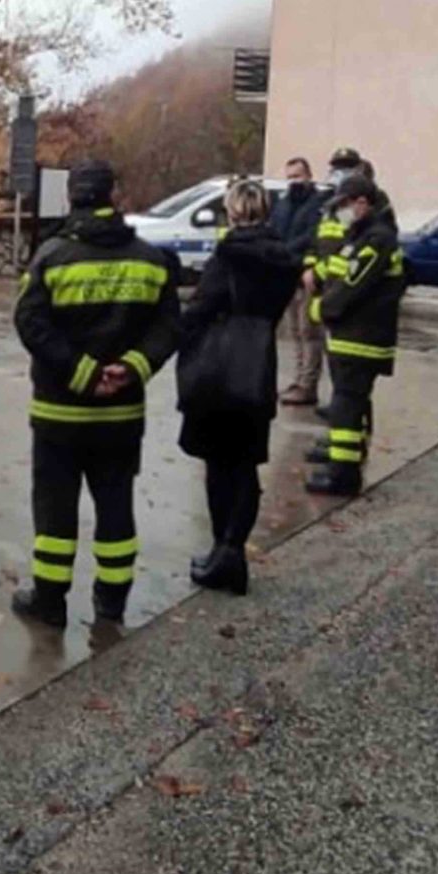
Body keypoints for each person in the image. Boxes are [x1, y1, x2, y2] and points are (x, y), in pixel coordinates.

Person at [9, 160, 180, 629]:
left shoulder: (52, 256)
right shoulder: (150, 259)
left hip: (59, 412)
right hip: (120, 415)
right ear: (113, 195)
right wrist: (133, 367)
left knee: (55, 511)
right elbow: (169, 326)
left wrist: (81, 372)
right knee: (116, 505)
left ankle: (50, 602)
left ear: (71, 197)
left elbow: (29, 322)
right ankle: (112, 602)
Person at [176, 179, 300, 594]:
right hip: (258, 365)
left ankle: (223, 552)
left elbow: (200, 309)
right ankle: (233, 550)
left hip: (218, 368)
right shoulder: (282, 260)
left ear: (233, 211)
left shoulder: (229, 256)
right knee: (245, 464)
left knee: (218, 465)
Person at [306, 175, 406, 497]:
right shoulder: (363, 235)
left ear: (362, 203)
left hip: (362, 339)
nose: (342, 212)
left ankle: (343, 476)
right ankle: (342, 460)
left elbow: (352, 286)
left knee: (347, 404)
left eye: (345, 205)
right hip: (352, 336)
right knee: (349, 402)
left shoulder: (378, 240)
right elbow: (339, 268)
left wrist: (321, 309)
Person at [297, 146, 363, 415]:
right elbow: (318, 240)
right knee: (312, 336)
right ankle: (325, 396)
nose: (339, 173)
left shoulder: (358, 207)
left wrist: (321, 272)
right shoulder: (329, 206)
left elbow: (349, 248)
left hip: (339, 286)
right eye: (337, 167)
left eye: (346, 167)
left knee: (339, 349)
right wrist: (310, 266)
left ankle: (343, 403)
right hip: (319, 282)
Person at [269, 156, 327, 406]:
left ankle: (308, 384)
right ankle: (298, 379)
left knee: (309, 331)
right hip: (286, 275)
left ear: (309, 176)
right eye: (290, 177)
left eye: (298, 176)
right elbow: (274, 230)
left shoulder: (319, 204)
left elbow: (314, 236)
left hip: (306, 274)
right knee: (294, 331)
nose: (294, 181)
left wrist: (289, 252)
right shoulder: (283, 204)